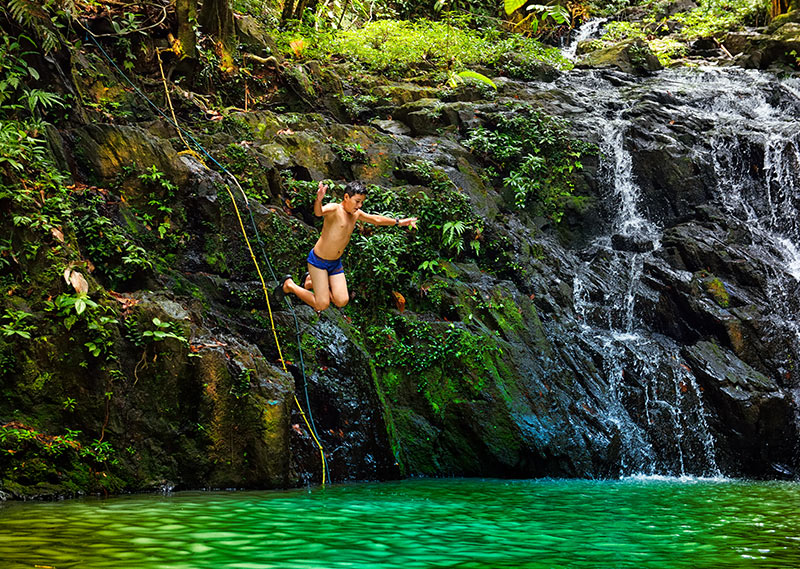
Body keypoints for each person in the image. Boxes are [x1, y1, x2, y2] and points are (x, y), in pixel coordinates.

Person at [274, 180, 418, 312]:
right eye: (357, 201)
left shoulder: (356, 214)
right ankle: (289, 285)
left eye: (361, 202)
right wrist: (318, 199)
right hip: (318, 262)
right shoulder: (335, 209)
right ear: (346, 197)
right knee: (321, 305)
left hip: (335, 263)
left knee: (342, 300)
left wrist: (400, 222)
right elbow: (319, 212)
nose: (359, 205)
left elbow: (376, 219)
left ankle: (310, 282)